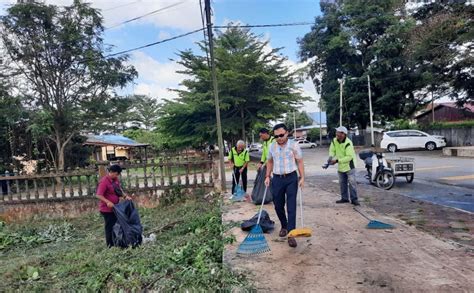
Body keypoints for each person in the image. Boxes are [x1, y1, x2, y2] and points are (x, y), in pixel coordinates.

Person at [265, 123, 305, 248]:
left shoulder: (294, 145)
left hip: (291, 178)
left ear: (287, 133)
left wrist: (302, 177)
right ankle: (284, 225)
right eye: (276, 136)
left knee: (291, 206)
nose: (279, 138)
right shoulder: (272, 146)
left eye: (281, 135)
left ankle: (291, 234)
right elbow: (270, 161)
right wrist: (267, 176)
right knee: (278, 205)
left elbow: (299, 161)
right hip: (277, 179)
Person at [96, 164, 131, 247]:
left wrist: (125, 196)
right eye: (116, 174)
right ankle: (110, 245)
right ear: (111, 172)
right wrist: (107, 202)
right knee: (109, 227)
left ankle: (116, 241)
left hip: (115, 208)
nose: (117, 176)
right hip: (106, 210)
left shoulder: (115, 179)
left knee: (116, 226)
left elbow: (118, 190)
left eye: (118, 174)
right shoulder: (104, 182)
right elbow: (98, 195)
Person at [329, 126, 359, 206]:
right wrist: (330, 157)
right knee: (342, 183)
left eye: (338, 132)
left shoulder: (348, 143)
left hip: (349, 166)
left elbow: (349, 157)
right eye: (336, 132)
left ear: (343, 134)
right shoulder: (334, 140)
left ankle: (354, 199)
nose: (336, 134)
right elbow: (332, 150)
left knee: (352, 183)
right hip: (341, 166)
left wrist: (337, 161)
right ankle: (344, 198)